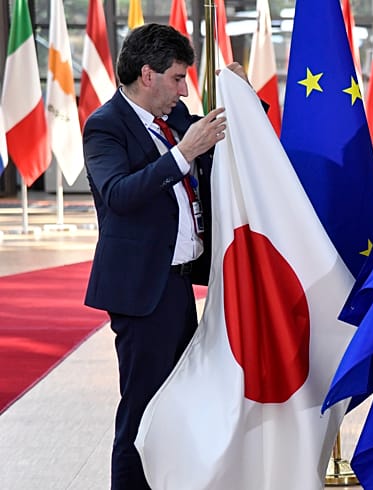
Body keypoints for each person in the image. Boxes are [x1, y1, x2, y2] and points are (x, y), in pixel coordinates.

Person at [82, 23, 246, 489]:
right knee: (142, 408)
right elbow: (117, 194)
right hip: (139, 291)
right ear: (147, 74)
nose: (183, 89)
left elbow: (226, 140)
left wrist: (239, 95)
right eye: (177, 78)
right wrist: (182, 154)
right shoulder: (105, 125)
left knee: (177, 401)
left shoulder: (175, 118)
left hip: (177, 285)